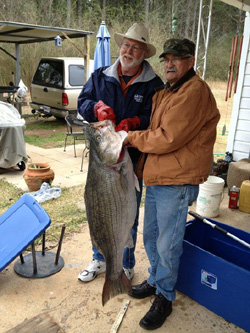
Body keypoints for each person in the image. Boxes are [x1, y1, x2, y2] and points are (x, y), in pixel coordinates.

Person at [123, 38, 220, 330]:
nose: (169, 64)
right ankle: (155, 280)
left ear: (190, 61)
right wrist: (133, 125)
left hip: (177, 179)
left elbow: (167, 137)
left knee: (167, 243)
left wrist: (128, 137)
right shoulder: (169, 90)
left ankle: (165, 295)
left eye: (176, 59)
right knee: (151, 236)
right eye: (166, 59)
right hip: (159, 174)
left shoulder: (194, 91)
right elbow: (155, 128)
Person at [77, 23, 163, 283]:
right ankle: (99, 258)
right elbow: (83, 102)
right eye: (126, 45)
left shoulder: (154, 85)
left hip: (132, 159)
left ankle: (125, 263)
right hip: (101, 158)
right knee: (98, 208)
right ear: (120, 46)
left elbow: (156, 117)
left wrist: (136, 122)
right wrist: (96, 109)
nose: (129, 50)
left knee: (128, 211)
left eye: (136, 47)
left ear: (144, 53)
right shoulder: (100, 75)